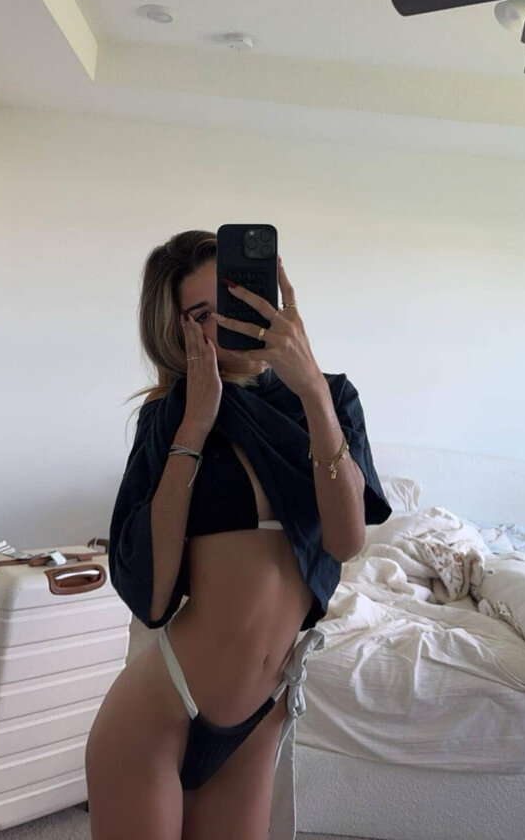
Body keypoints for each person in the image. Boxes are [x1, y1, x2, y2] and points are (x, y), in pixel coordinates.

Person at [85, 229, 391, 840]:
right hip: (162, 708)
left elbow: (345, 540)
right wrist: (195, 426)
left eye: (235, 299)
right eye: (203, 315)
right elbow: (151, 595)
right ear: (180, 331)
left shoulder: (332, 399)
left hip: (259, 720)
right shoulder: (171, 413)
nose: (227, 323)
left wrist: (310, 389)